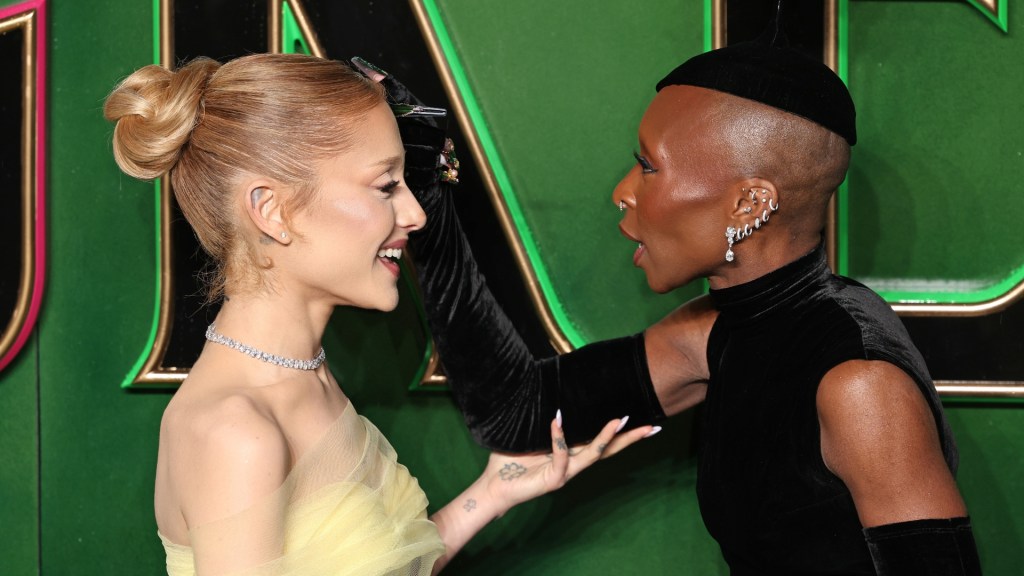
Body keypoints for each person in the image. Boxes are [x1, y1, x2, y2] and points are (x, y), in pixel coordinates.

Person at [400, 24, 983, 576]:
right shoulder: (715, 334)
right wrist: (426, 196)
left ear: (749, 205)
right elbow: (518, 410)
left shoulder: (859, 384)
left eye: (649, 167)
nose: (622, 193)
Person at [103, 53, 657, 576]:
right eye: (386, 186)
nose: (414, 214)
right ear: (272, 211)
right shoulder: (235, 431)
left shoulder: (300, 374)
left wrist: (495, 491)